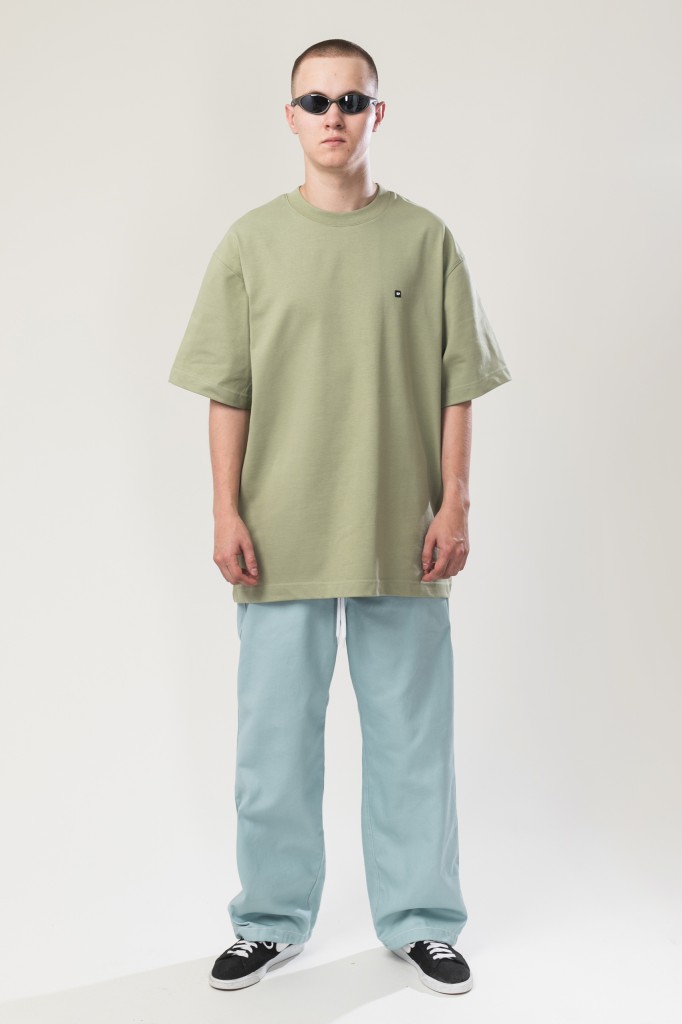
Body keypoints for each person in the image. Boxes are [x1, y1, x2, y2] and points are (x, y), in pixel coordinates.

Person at [168, 37, 511, 997]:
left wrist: (455, 501)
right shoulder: (250, 243)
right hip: (279, 533)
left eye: (350, 101)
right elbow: (227, 390)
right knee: (274, 745)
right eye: (315, 101)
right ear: (290, 117)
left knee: (413, 739)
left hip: (403, 529)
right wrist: (225, 510)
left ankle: (422, 920)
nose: (333, 117)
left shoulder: (426, 240)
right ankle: (269, 921)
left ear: (376, 114)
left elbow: (458, 384)